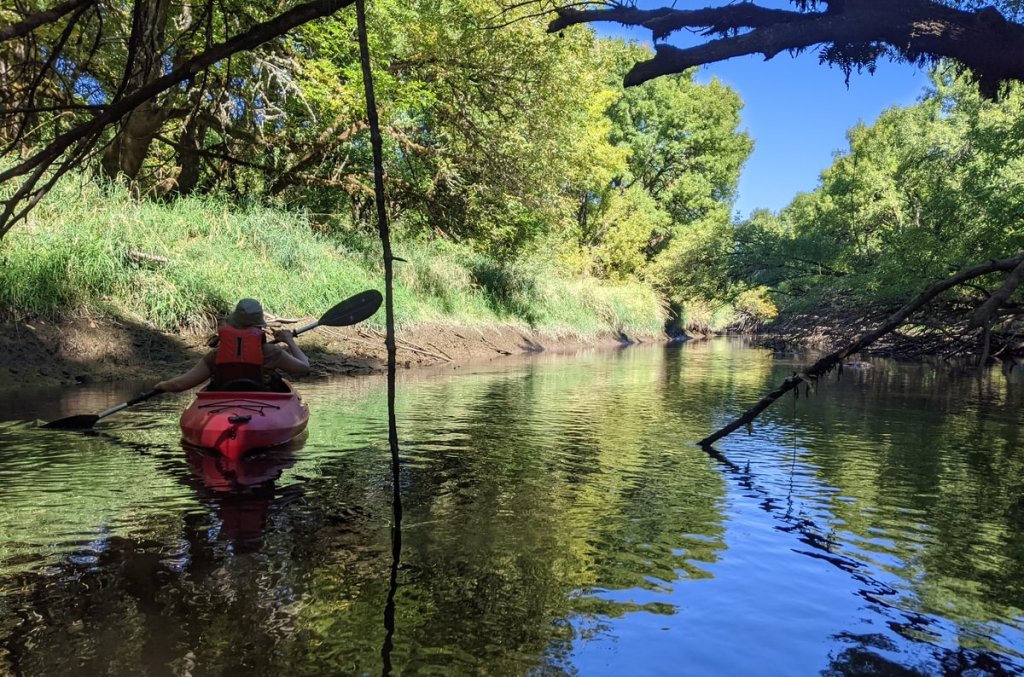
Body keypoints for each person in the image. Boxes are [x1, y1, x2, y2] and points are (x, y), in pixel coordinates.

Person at [155, 298, 310, 393]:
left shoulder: (217, 355)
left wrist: (162, 385)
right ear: (259, 326)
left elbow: (180, 384)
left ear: (234, 324)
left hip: (222, 405)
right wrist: (289, 340)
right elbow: (304, 368)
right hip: (261, 405)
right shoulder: (271, 353)